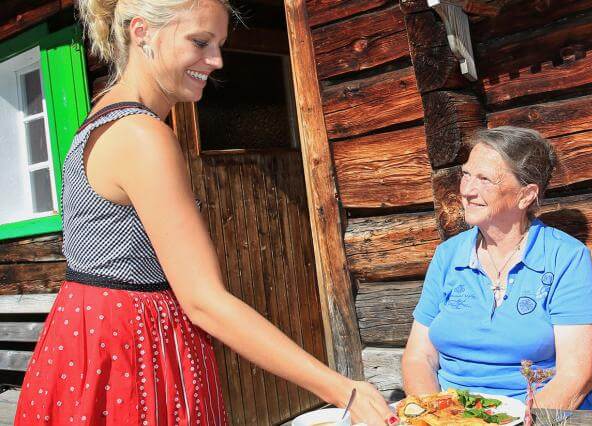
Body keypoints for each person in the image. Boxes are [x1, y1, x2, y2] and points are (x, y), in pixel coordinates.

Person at [14, 0, 395, 424]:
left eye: (219, 44)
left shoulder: (100, 120)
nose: (216, 60)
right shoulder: (141, 135)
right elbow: (204, 301)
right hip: (132, 345)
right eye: (200, 42)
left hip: (87, 337)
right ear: (142, 32)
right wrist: (341, 389)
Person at [401, 126, 592, 410]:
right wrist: (437, 414)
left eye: (484, 179)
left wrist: (521, 421)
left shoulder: (565, 257)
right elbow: (419, 357)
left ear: (526, 195)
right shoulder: (448, 255)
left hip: (535, 415)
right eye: (466, 175)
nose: (466, 190)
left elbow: (577, 376)